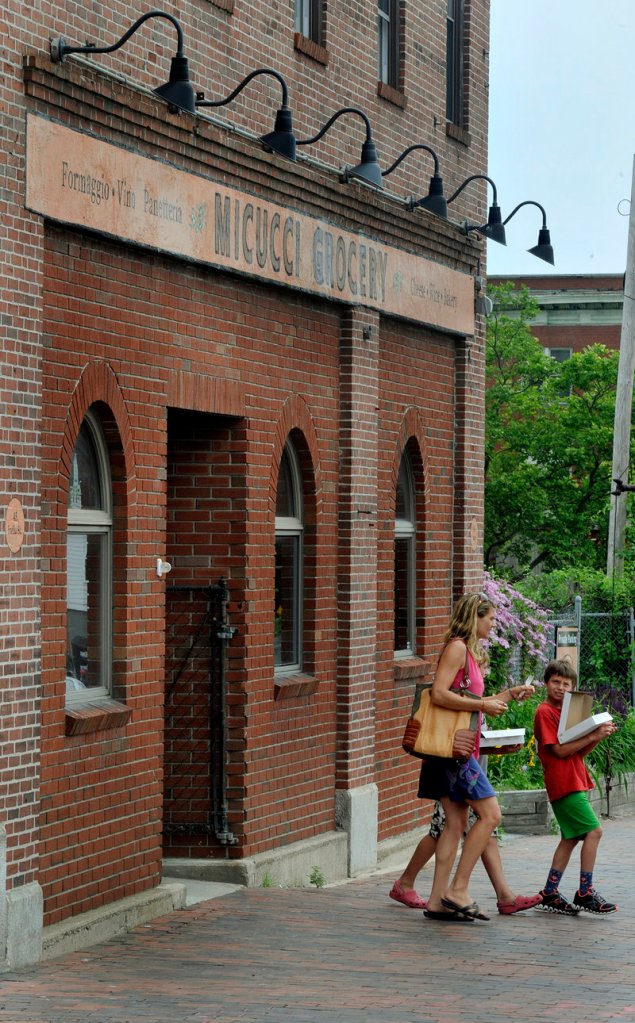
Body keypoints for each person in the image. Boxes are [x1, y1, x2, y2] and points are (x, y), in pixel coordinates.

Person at [405, 592, 536, 922]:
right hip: (453, 752)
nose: (493, 623)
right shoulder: (458, 647)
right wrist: (482, 705)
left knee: (455, 824)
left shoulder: (468, 652)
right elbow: (438, 693)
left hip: (458, 748)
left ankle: (437, 901)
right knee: (491, 815)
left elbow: (468, 698)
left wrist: (506, 695)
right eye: (489, 618)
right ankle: (457, 888)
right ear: (473, 617)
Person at [533, 659, 618, 915]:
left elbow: (577, 753)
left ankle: (550, 891)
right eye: (555, 682)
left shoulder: (567, 713)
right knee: (594, 832)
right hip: (564, 782)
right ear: (546, 683)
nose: (560, 687)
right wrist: (591, 735)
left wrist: (597, 735)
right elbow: (559, 751)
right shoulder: (545, 712)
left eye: (566, 684)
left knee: (570, 838)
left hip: (573, 778)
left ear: (572, 688)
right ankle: (585, 892)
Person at [389, 790, 543, 916]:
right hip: (457, 773)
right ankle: (417, 886)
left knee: (483, 827)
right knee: (446, 830)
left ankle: (503, 895)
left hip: (468, 773)